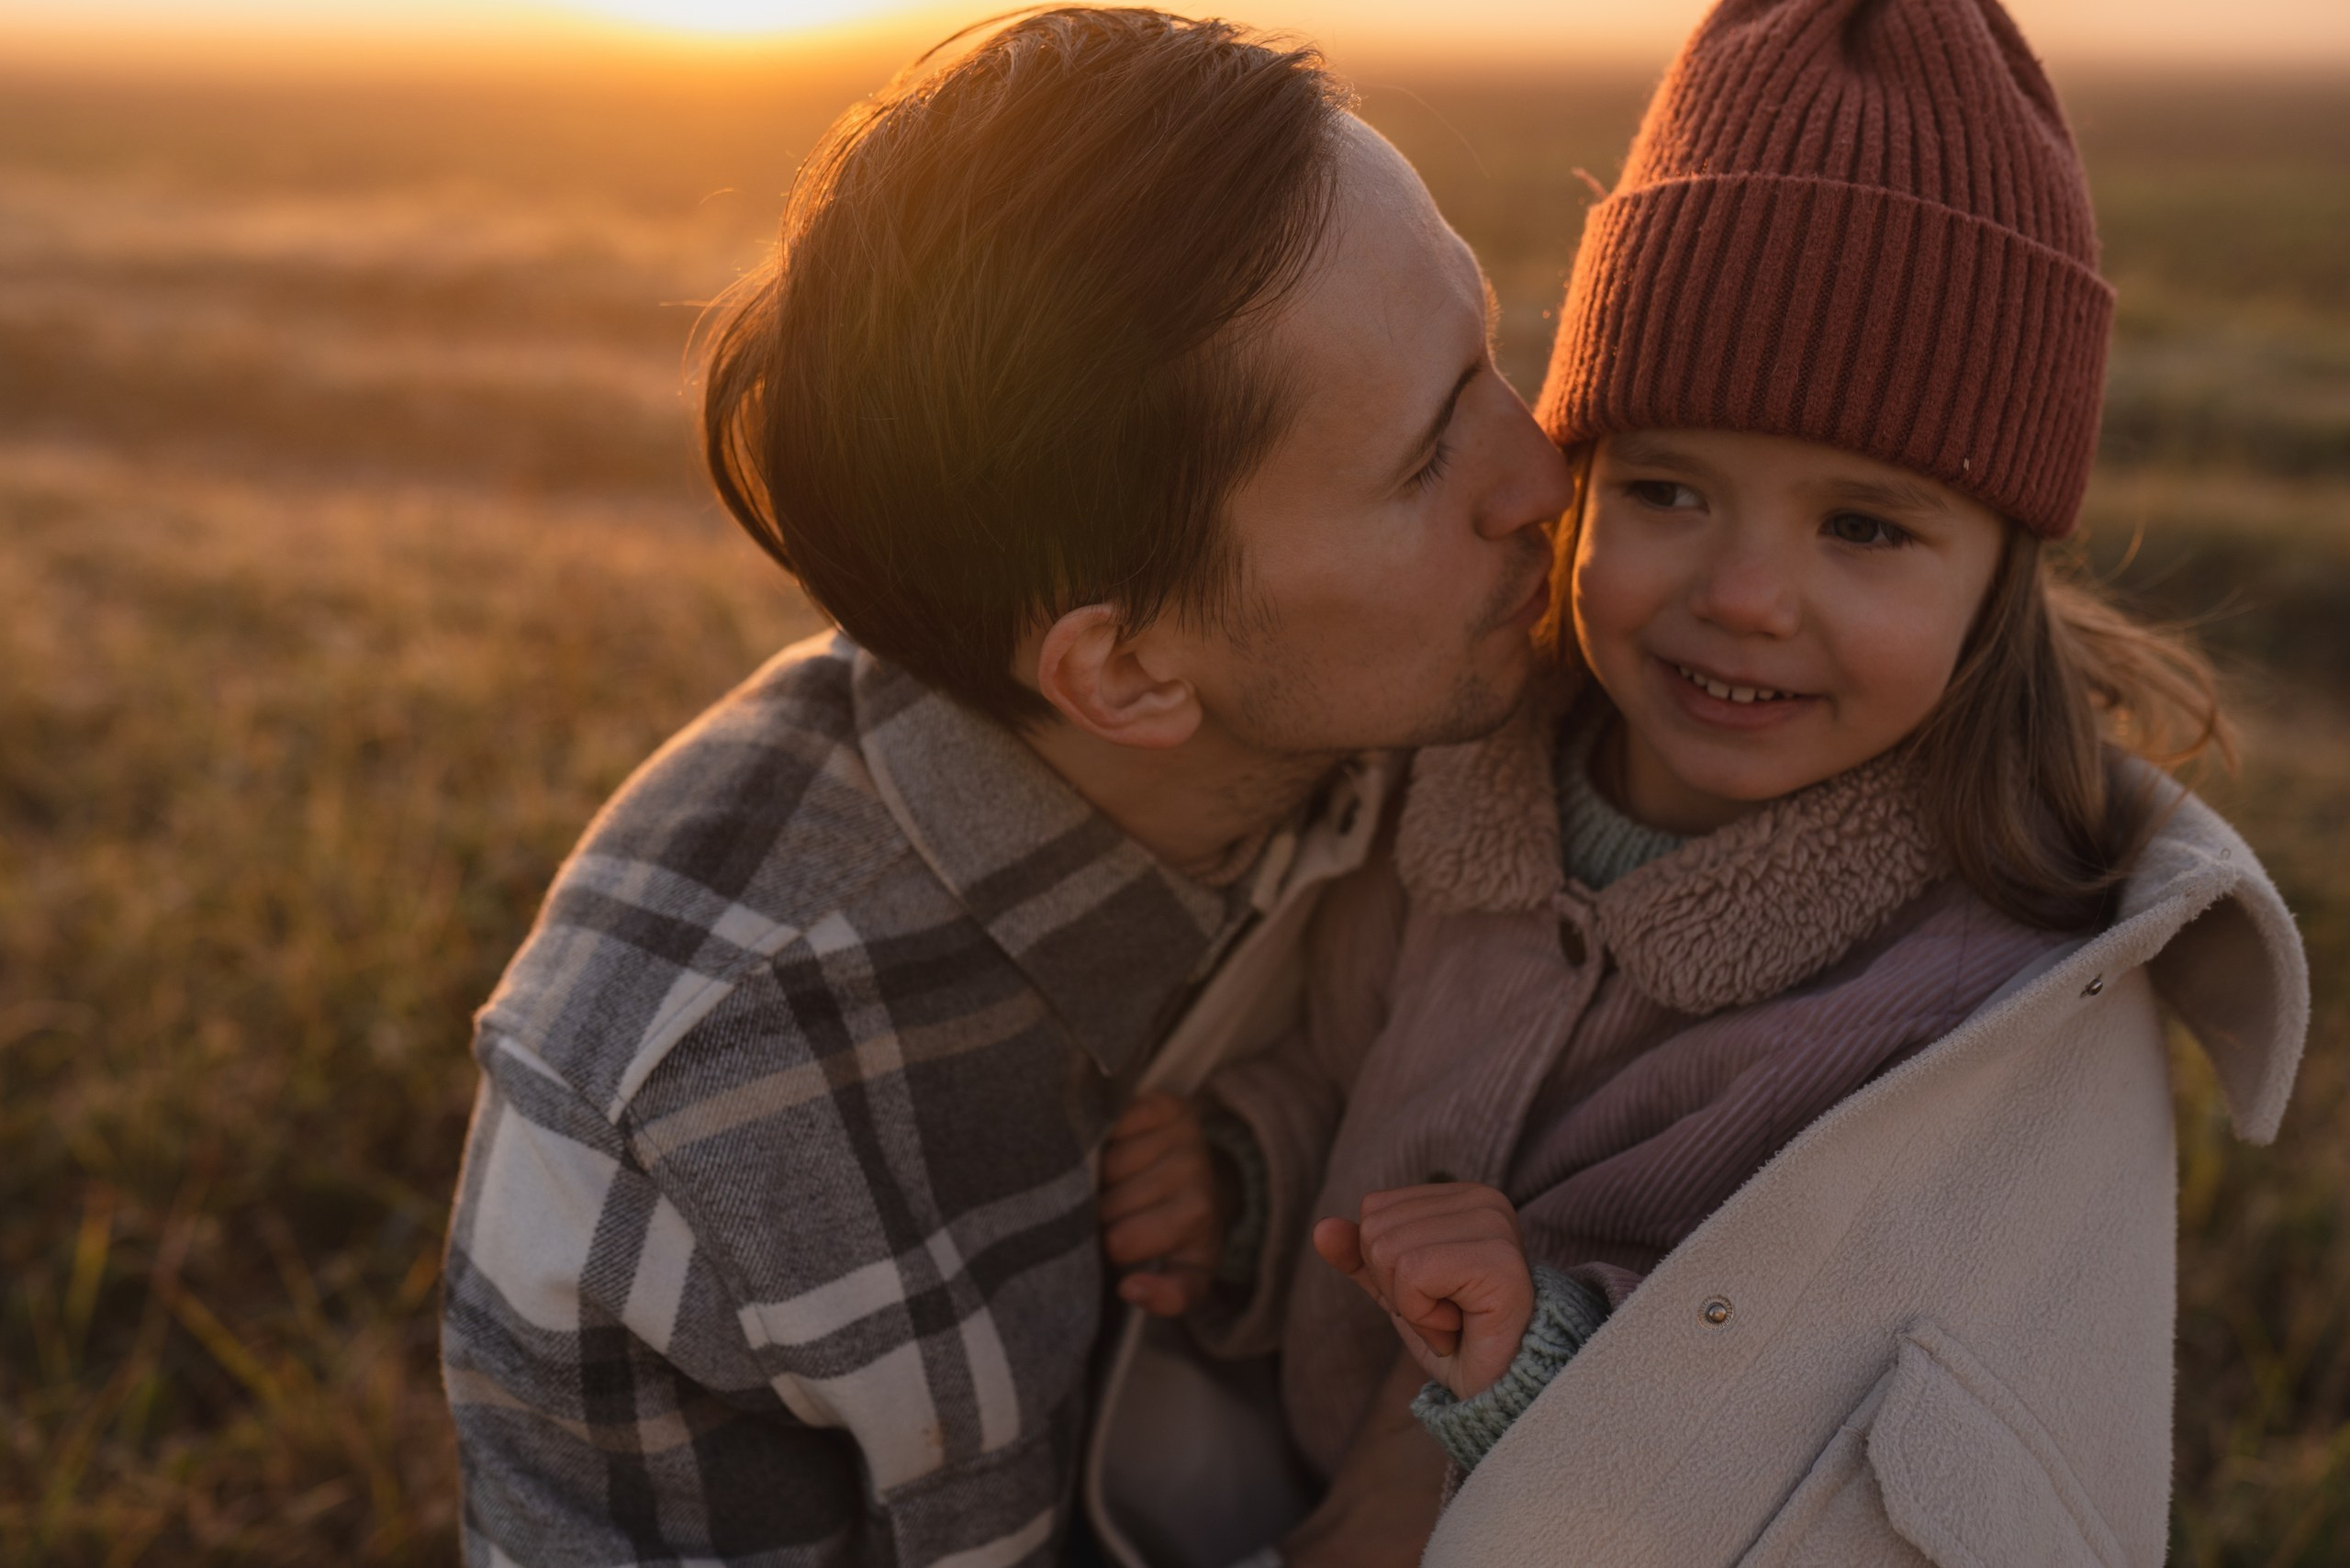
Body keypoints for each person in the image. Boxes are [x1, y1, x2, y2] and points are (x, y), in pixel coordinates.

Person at [1098, 0, 2311, 1561]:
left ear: (2000, 576)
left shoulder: (1975, 998)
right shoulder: (1461, 785)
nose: (1742, 593)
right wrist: (1252, 1178)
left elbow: (1810, 1430)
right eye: (1667, 489)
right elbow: (1344, 1058)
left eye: (1863, 527)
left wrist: (1538, 1357)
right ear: (1574, 479)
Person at [437, 7, 1572, 1566]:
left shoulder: (1516, 683)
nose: (1548, 478)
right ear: (1127, 677)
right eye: (1426, 457)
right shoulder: (685, 1149)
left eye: (1494, 351)